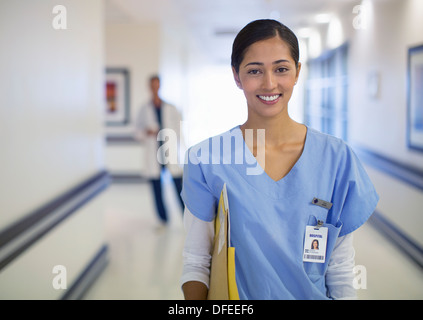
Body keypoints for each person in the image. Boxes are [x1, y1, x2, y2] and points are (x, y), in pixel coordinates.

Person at [180, 19, 379, 300]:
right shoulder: (207, 160)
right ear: (237, 76)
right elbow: (197, 261)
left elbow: (340, 267)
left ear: (297, 72)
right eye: (254, 71)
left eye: (281, 69)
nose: (270, 83)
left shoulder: (336, 158)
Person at [134, 75, 185, 226]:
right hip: (153, 152)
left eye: (157, 85)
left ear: (160, 86)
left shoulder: (171, 108)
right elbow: (136, 131)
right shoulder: (144, 109)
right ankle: (163, 220)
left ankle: (186, 217)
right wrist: (146, 132)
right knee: (156, 188)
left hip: (169, 150)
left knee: (178, 186)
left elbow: (179, 129)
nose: (155, 88)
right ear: (149, 87)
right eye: (152, 85)